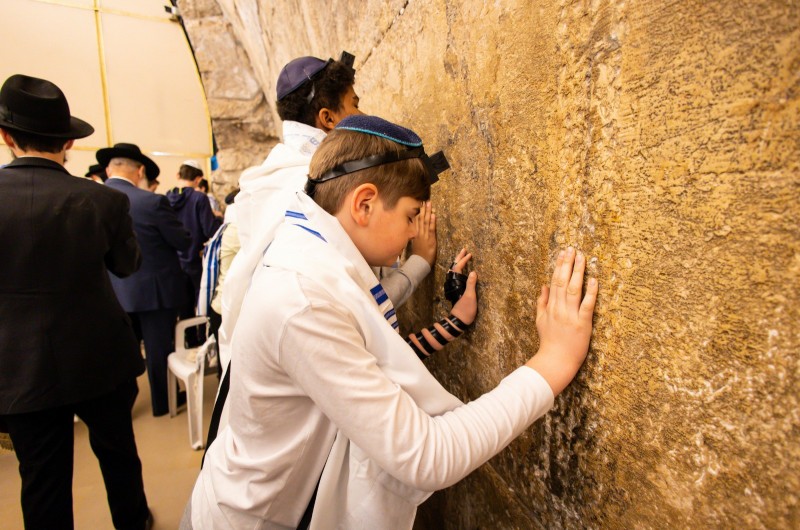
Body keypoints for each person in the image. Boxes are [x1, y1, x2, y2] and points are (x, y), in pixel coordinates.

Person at [183, 115, 598, 529]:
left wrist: (426, 277)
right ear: (364, 204)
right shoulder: (303, 299)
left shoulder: (309, 247)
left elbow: (360, 330)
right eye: (410, 215)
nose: (411, 233)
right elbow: (426, 455)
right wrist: (553, 361)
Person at [0, 74, 152, 530]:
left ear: (6, 137)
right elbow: (127, 266)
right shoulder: (102, 201)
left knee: (42, 479)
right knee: (119, 457)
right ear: (68, 140)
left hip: (19, 367)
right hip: (99, 356)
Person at [219, 52, 436, 370]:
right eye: (354, 103)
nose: (362, 113)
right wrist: (419, 262)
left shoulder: (269, 177)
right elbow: (359, 301)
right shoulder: (316, 188)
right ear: (328, 118)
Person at [100, 142, 191, 418]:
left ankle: (119, 407)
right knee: (157, 350)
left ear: (107, 169)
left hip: (113, 292)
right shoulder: (151, 202)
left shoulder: (92, 198)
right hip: (155, 291)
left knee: (120, 352)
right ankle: (163, 404)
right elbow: (182, 241)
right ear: (140, 170)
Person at [166, 160, 222, 317]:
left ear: (178, 175)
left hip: (176, 259)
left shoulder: (166, 197)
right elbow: (210, 229)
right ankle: (200, 336)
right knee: (200, 299)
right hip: (195, 257)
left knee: (184, 302)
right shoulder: (199, 198)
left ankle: (189, 339)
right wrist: (217, 218)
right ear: (198, 179)